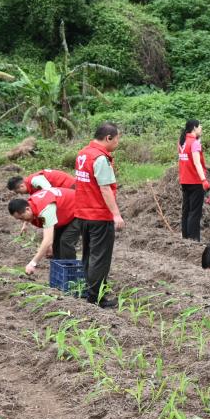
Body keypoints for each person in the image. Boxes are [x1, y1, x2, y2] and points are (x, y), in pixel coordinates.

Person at [73, 122, 123, 308]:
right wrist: (116, 215)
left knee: (88, 255)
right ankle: (95, 299)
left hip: (83, 213)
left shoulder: (83, 154)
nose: (118, 143)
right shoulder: (100, 158)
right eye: (117, 139)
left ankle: (89, 291)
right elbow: (105, 188)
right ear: (108, 138)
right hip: (98, 214)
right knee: (100, 258)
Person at [8, 187, 80, 275]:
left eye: (22, 218)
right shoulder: (31, 204)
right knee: (56, 244)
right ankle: (60, 274)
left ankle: (71, 274)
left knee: (65, 241)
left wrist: (33, 263)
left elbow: (48, 240)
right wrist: (25, 224)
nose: (22, 220)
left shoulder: (45, 209)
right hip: (64, 212)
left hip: (80, 209)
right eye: (19, 219)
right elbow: (49, 234)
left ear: (27, 209)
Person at [7, 169, 78, 234]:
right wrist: (25, 224)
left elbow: (49, 192)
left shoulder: (35, 180)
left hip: (69, 186)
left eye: (19, 192)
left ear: (21, 186)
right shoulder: (31, 185)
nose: (21, 194)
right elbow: (26, 208)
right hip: (63, 191)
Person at [178, 119, 210, 242]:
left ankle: (185, 237)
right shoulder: (195, 143)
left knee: (186, 210)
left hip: (184, 180)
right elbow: (197, 163)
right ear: (194, 128)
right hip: (195, 181)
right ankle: (193, 239)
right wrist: (204, 180)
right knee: (194, 212)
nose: (201, 129)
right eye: (200, 126)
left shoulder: (182, 141)